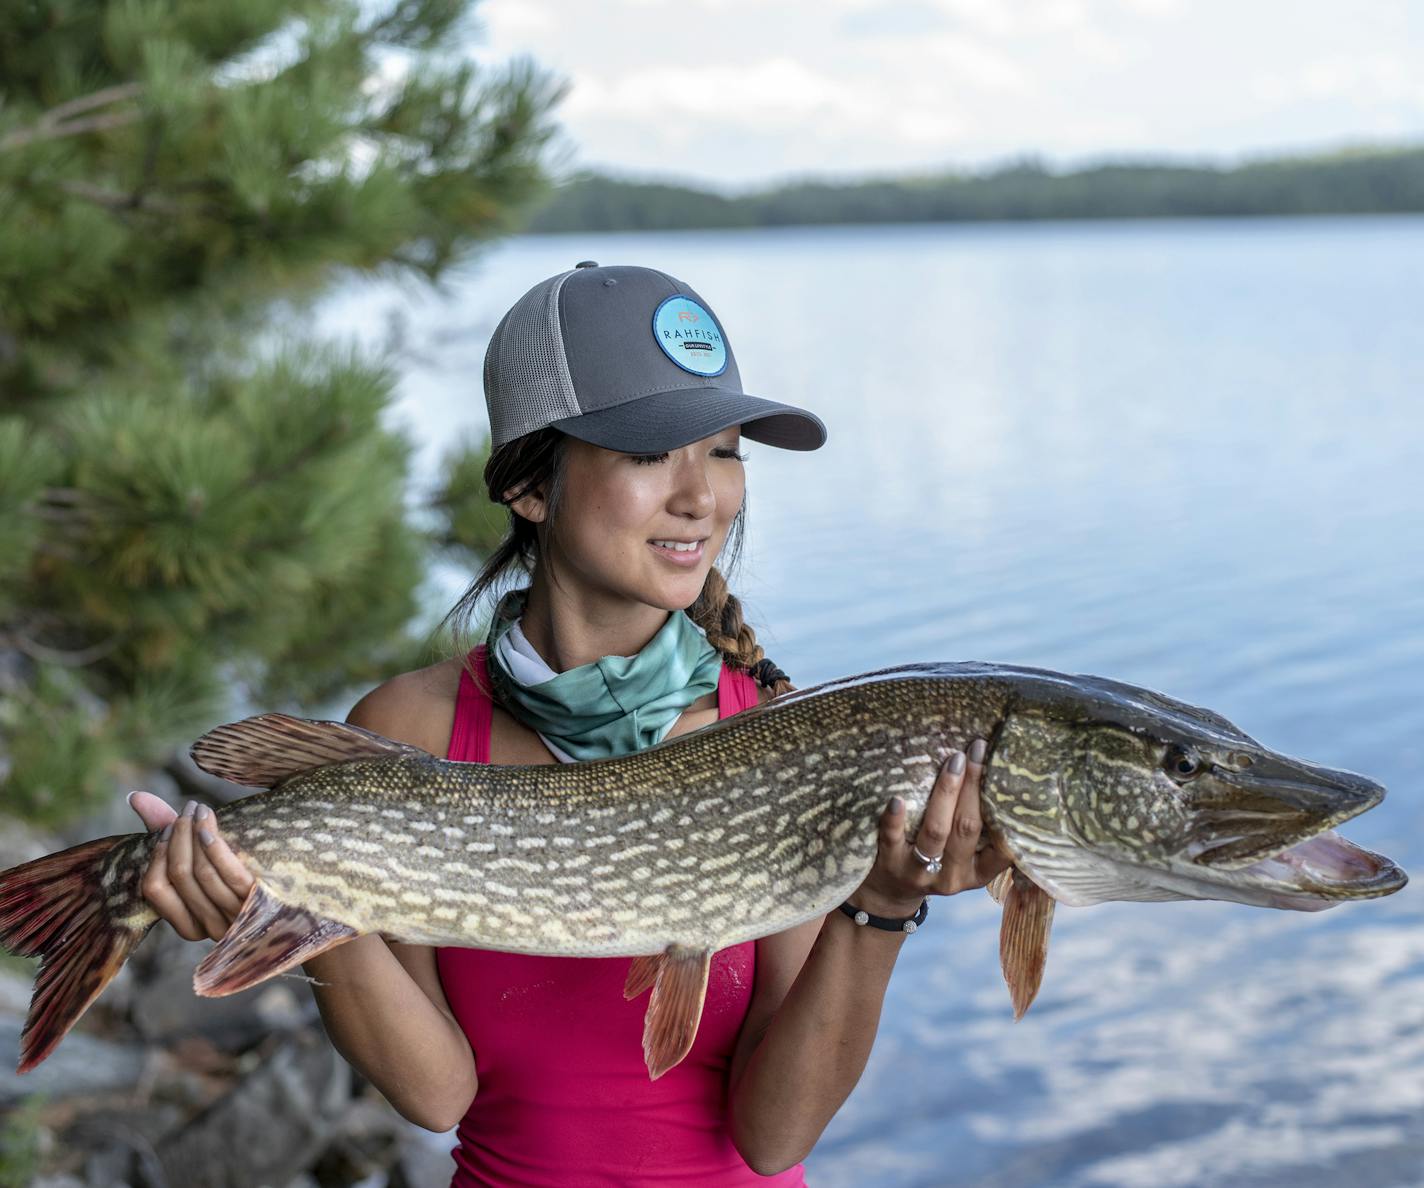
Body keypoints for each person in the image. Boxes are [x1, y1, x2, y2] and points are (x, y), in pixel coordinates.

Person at [128, 262, 1012, 1185]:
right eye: (646, 453)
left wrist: (881, 910)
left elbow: (776, 1134)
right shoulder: (411, 729)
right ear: (530, 487)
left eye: (724, 449)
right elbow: (437, 1097)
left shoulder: (781, 741)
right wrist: (288, 908)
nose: (701, 497)